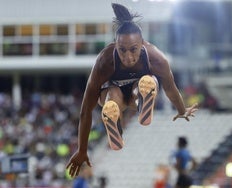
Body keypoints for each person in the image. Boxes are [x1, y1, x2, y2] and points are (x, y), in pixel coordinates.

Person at [66, 3, 198, 178]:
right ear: (115, 45)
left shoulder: (155, 58)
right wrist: (82, 150)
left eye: (133, 50)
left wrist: (182, 110)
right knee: (112, 97)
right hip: (114, 96)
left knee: (146, 82)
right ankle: (116, 128)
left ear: (142, 44)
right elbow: (85, 110)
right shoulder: (105, 61)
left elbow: (170, 88)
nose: (128, 57)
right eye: (122, 50)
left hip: (138, 91)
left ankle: (143, 104)